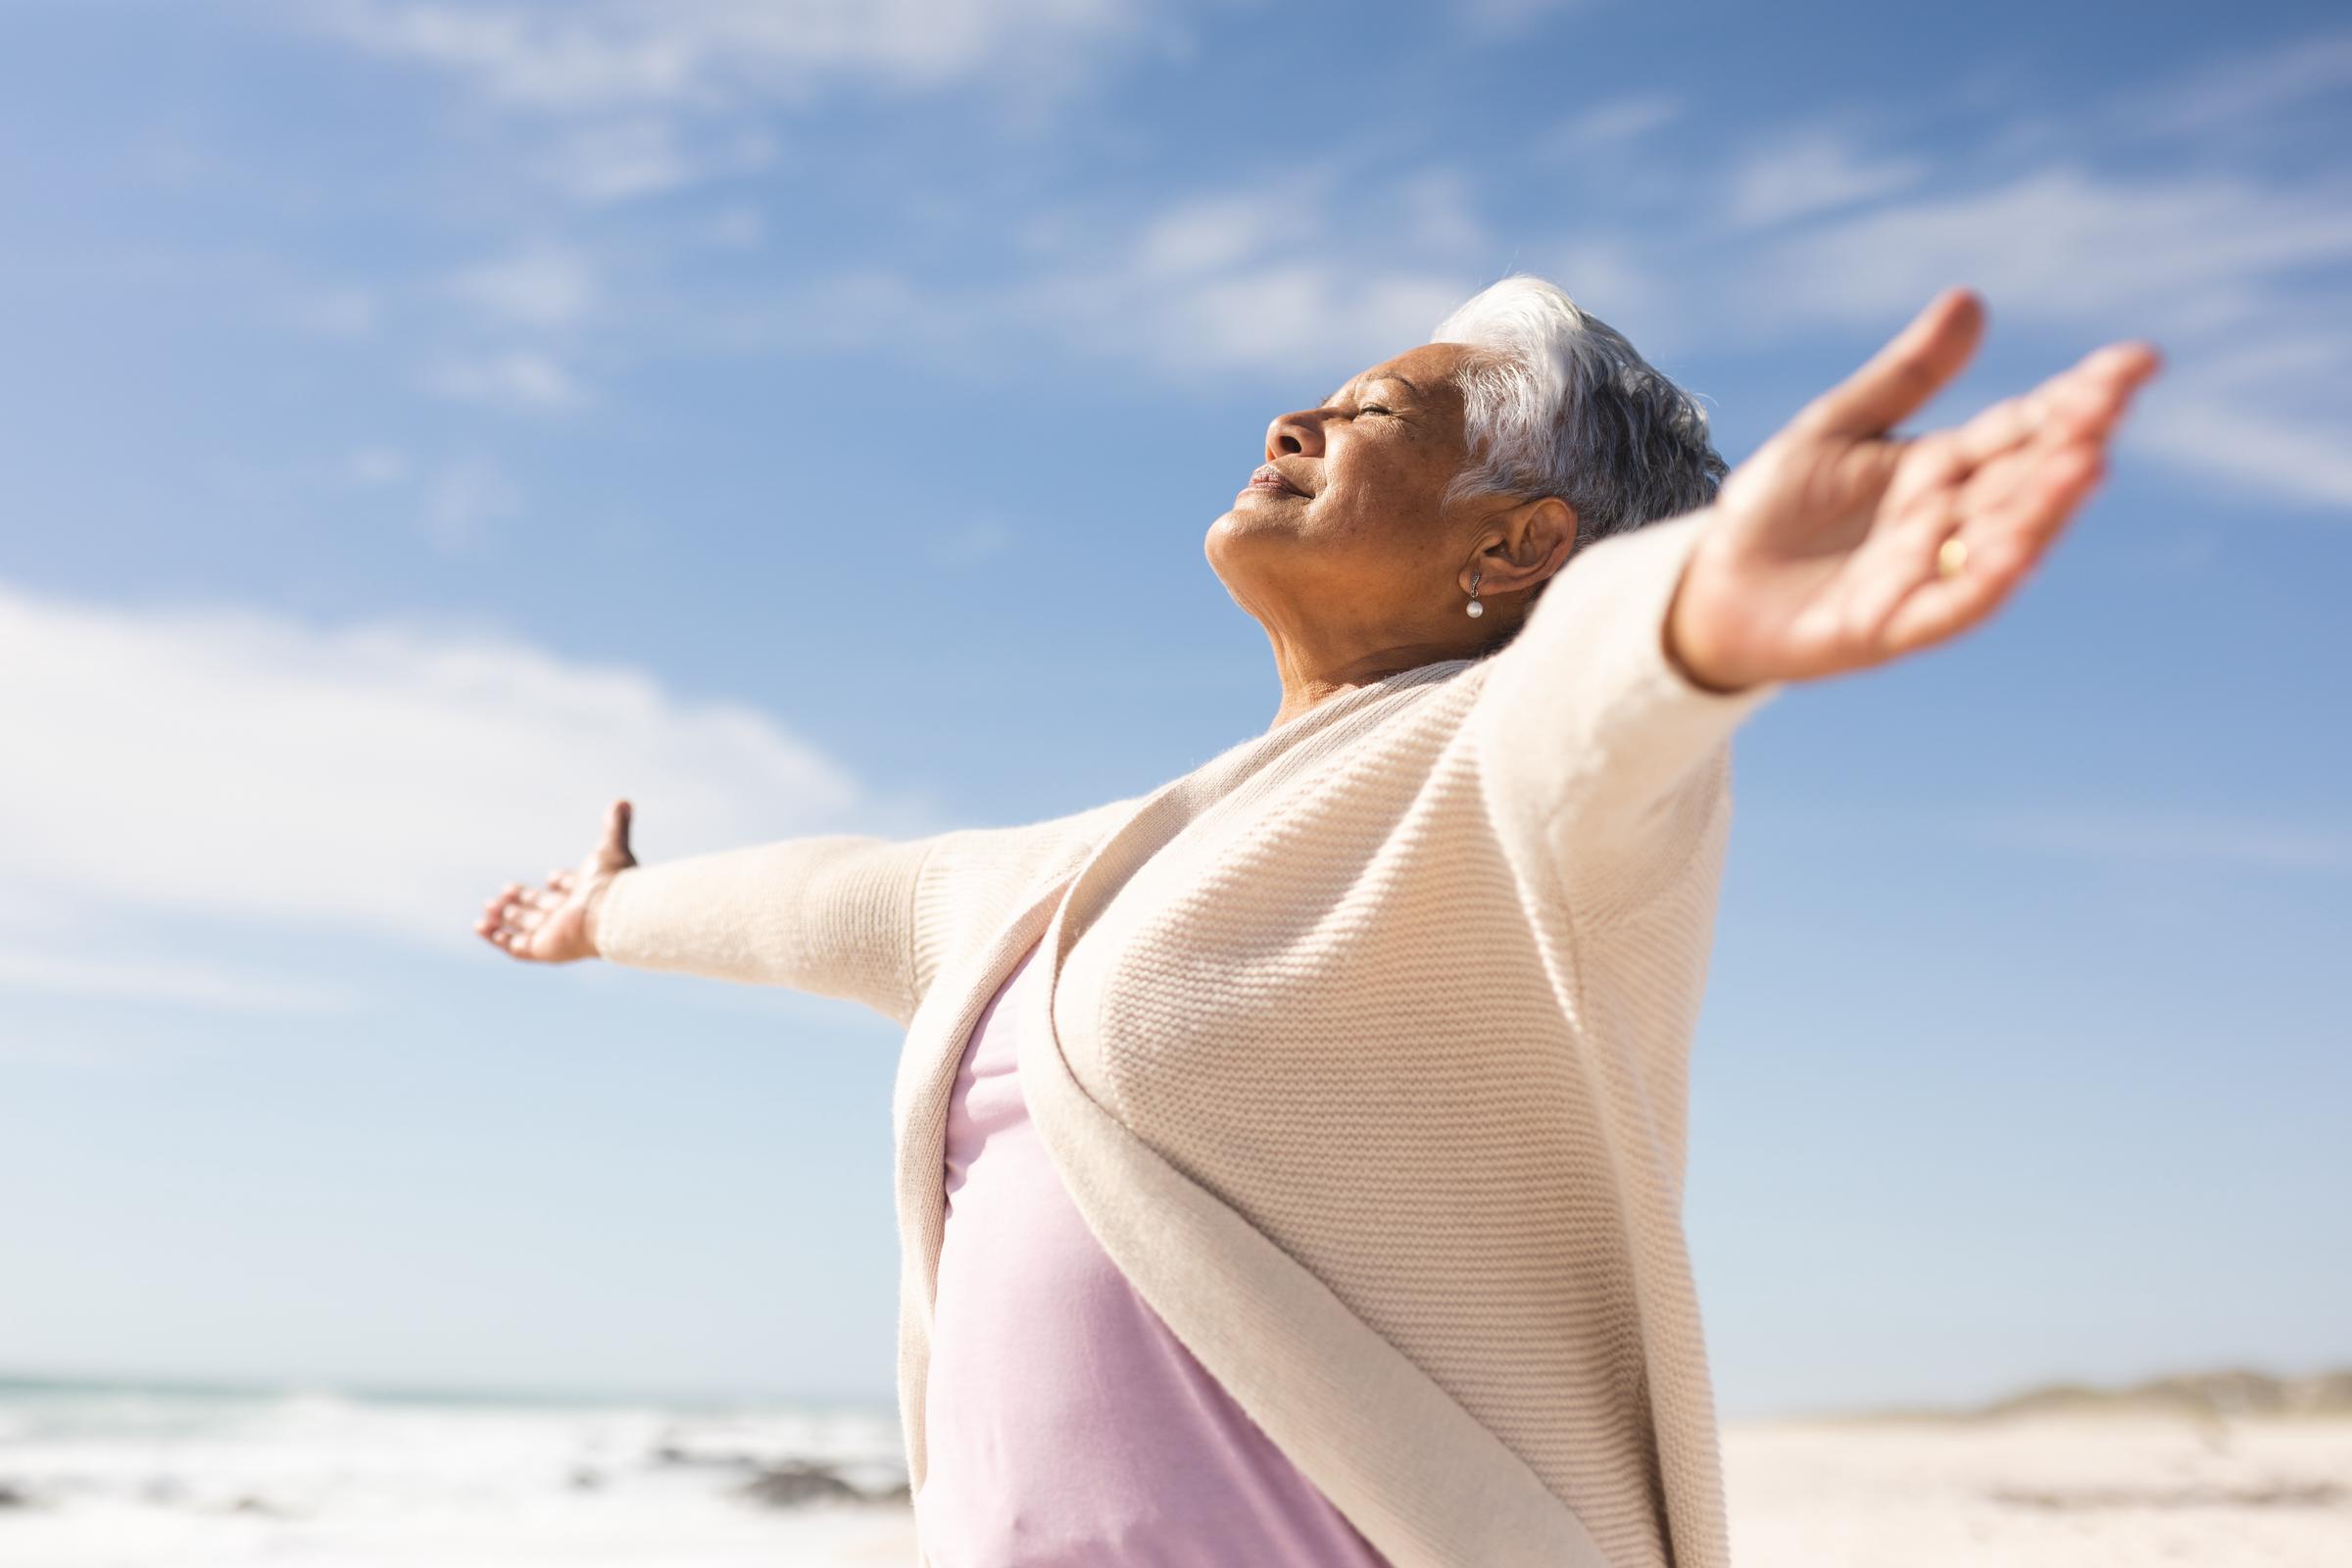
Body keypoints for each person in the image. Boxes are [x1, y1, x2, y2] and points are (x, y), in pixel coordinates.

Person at [475, 277, 2158, 1568]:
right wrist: (607, 913)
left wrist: (1701, 609)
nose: (1292, 420)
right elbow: (833, 900)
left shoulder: (1503, 785)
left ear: (1521, 542)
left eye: (1370, 412)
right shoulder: (1089, 868)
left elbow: (1601, 697)